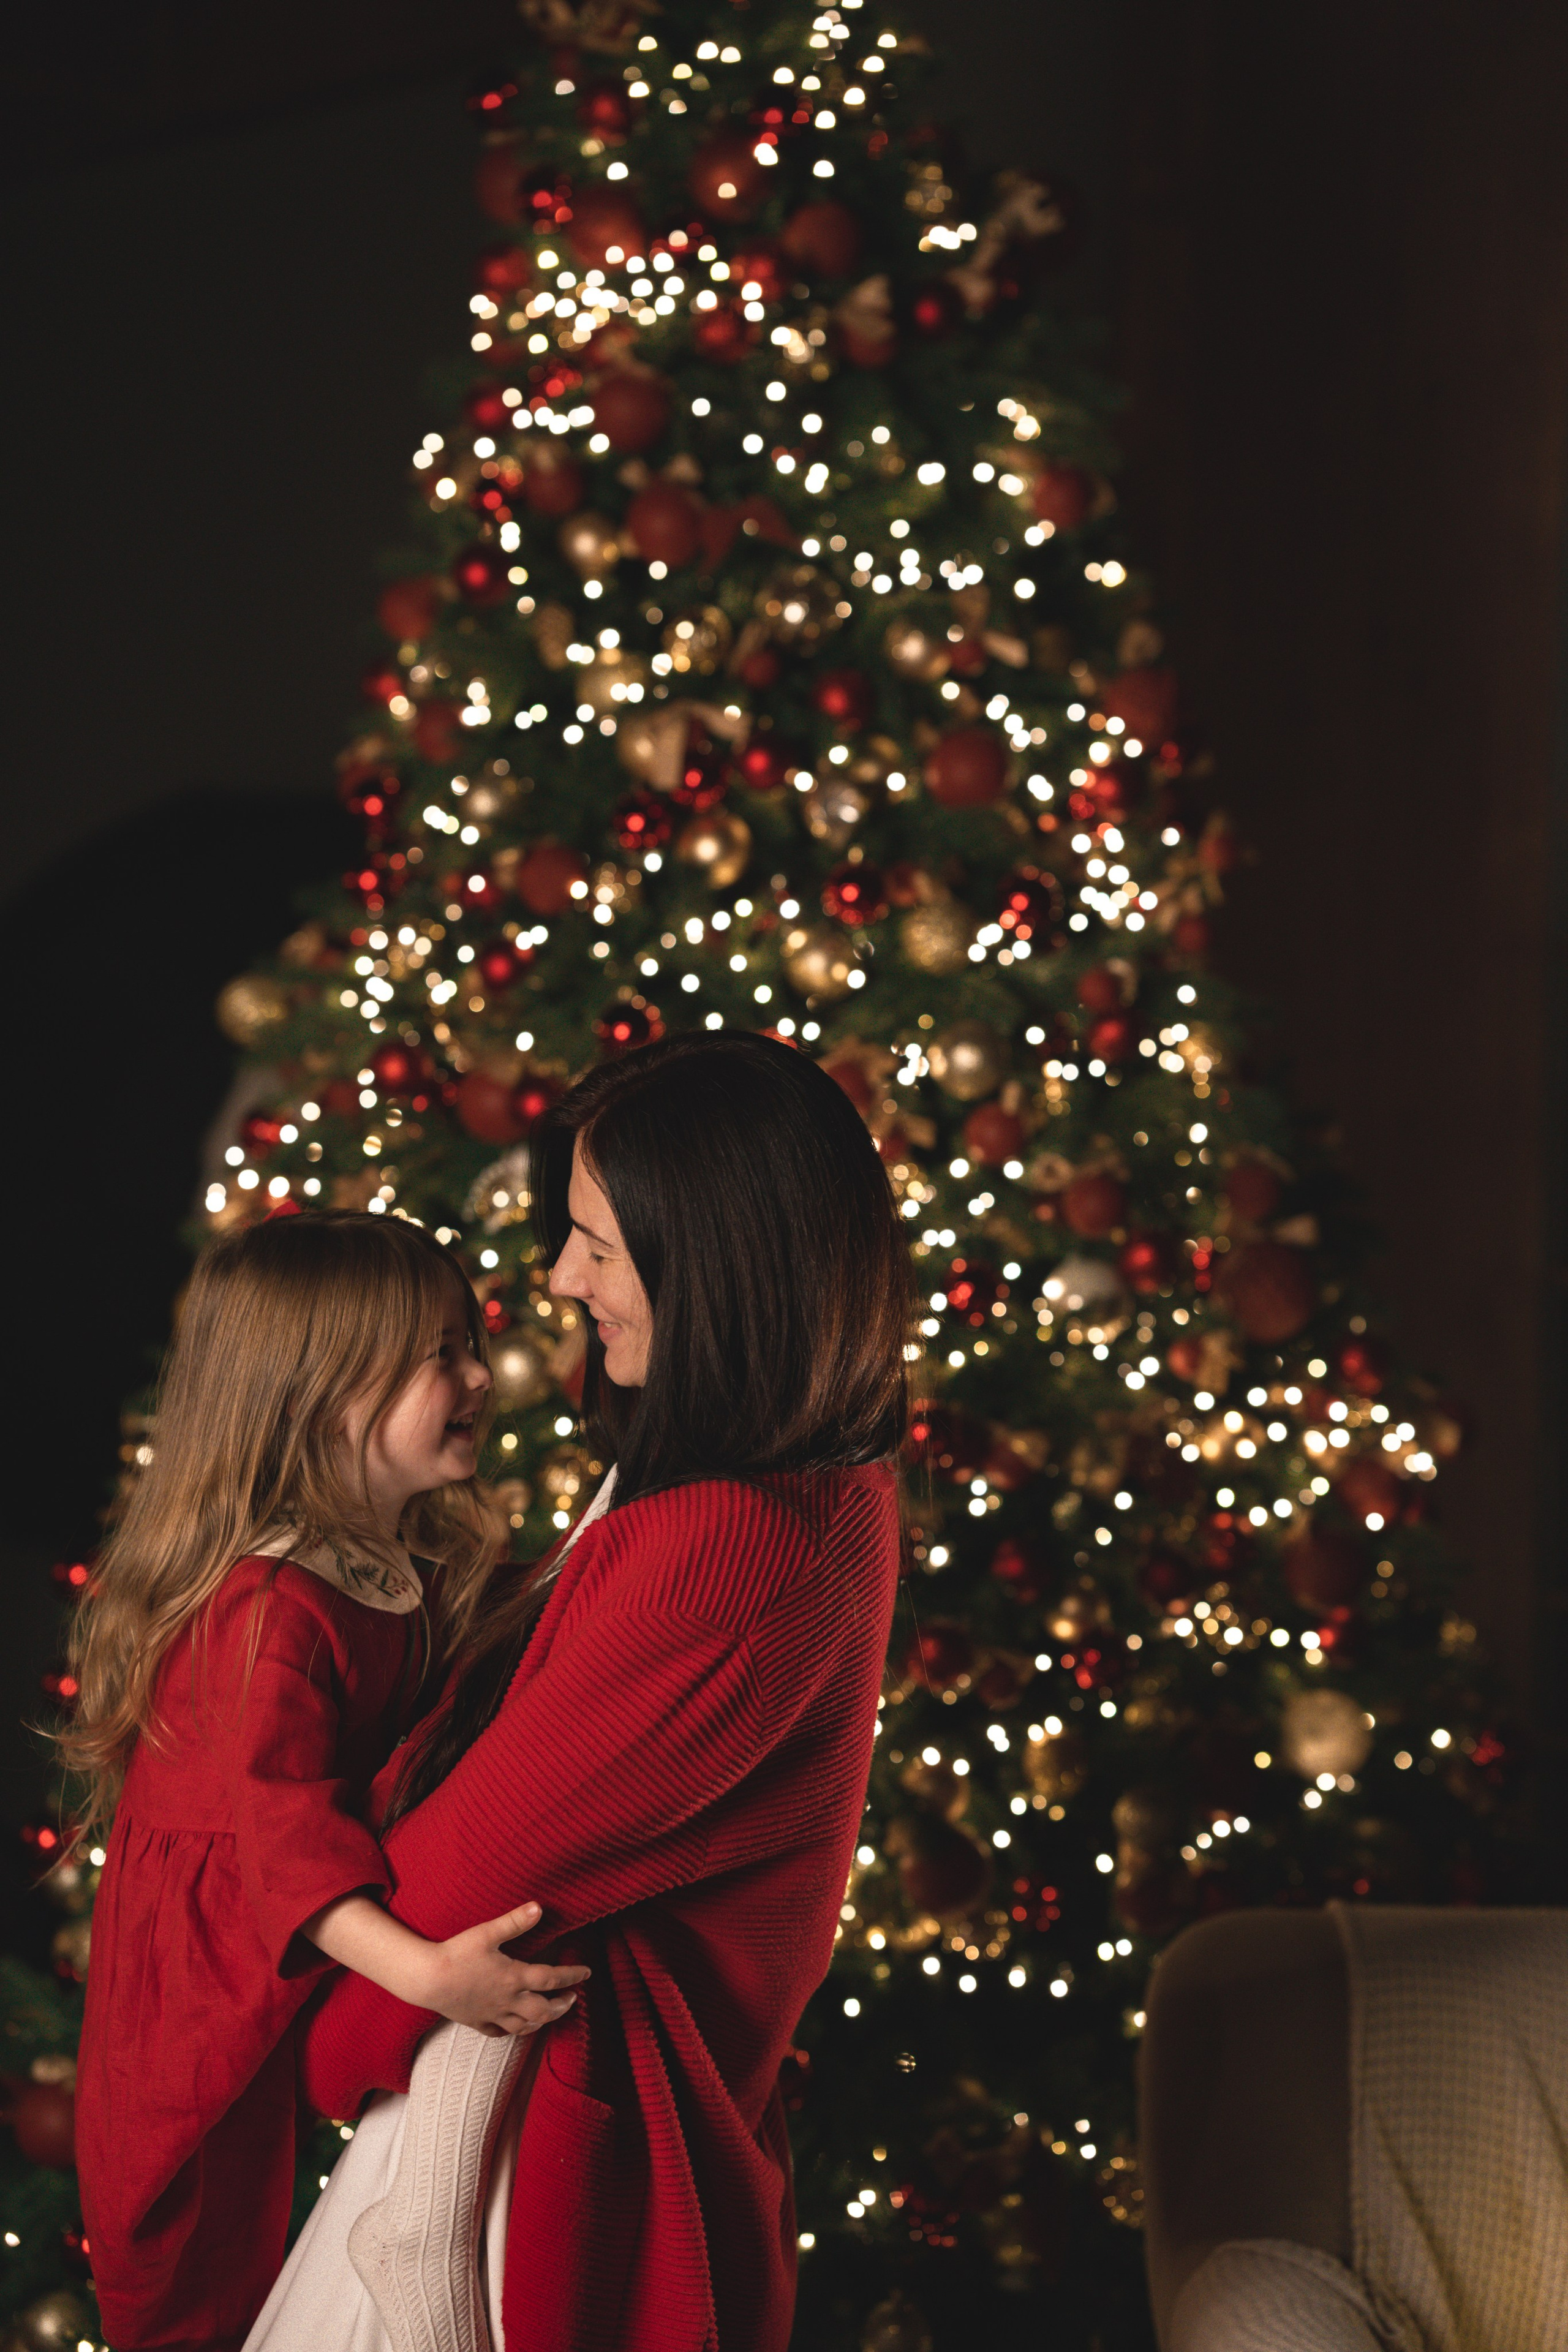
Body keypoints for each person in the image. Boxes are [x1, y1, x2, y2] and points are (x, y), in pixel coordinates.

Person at [244, 1029, 912, 2352]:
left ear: (714, 1268)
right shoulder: (796, 1492)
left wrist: (319, 2027)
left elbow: (469, 1879)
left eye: (598, 1246)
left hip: (542, 2177)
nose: (559, 1278)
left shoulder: (734, 1550)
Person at [66, 1212, 588, 2352]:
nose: (478, 1375)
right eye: (436, 1355)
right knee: (196, 2248)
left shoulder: (393, 1561)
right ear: (315, 1398)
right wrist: (434, 1978)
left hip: (284, 1943)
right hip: (205, 1971)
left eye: (469, 1342)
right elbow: (285, 1844)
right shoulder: (268, 1607)